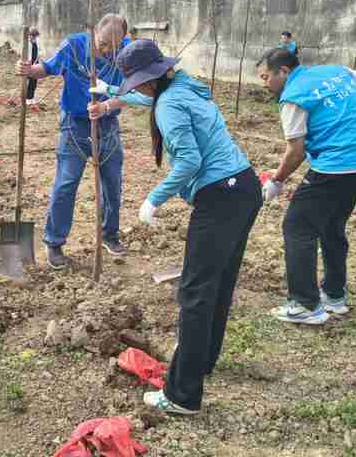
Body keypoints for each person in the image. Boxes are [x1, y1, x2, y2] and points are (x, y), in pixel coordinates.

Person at [112, 39, 261, 416]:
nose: (140, 91)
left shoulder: (169, 103)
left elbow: (190, 161)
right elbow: (150, 101)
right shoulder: (183, 84)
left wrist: (154, 199)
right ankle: (203, 360)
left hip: (219, 198)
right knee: (218, 284)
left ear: (148, 79)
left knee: (194, 292)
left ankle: (182, 395)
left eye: (136, 83)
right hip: (244, 186)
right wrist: (114, 94)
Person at [257, 48, 356, 325]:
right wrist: (346, 112)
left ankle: (305, 304)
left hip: (336, 168)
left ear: (285, 72)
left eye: (266, 76)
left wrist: (276, 181)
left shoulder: (293, 98)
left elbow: (296, 152)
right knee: (331, 224)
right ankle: (334, 297)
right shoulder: (336, 71)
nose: (264, 83)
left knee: (297, 226)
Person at [16, 14, 151, 269]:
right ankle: (54, 242)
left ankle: (110, 234)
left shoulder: (126, 53)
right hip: (74, 125)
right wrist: (29, 70)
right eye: (102, 44)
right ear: (93, 33)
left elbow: (130, 93)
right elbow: (46, 69)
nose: (107, 50)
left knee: (113, 184)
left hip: (108, 125)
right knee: (66, 183)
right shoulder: (74, 46)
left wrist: (107, 106)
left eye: (113, 45)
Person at [26, 27, 40, 105]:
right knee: (30, 82)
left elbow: (38, 52)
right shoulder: (27, 43)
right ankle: (27, 98)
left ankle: (32, 97)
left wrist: (37, 62)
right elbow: (27, 55)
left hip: (36, 63)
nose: (34, 37)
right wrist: (29, 64)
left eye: (35, 36)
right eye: (32, 36)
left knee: (34, 82)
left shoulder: (36, 42)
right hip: (29, 64)